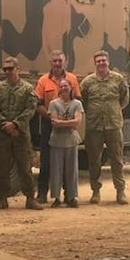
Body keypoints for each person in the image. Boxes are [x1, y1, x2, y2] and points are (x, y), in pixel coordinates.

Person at [0, 56, 44, 211]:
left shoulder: (27, 89)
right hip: (3, 135)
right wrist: (4, 124)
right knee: (3, 168)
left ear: (17, 69)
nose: (7, 71)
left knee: (25, 167)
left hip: (21, 135)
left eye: (10, 69)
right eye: (4, 69)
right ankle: (3, 198)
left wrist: (15, 124)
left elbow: (30, 109)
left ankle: (30, 198)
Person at [80, 50, 130, 205]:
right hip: (94, 126)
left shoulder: (118, 79)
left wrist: (113, 110)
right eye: (98, 61)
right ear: (95, 63)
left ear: (108, 62)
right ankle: (95, 191)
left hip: (113, 125)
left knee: (117, 159)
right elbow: (83, 101)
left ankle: (120, 191)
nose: (101, 63)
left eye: (104, 60)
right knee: (94, 160)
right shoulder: (87, 82)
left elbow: (124, 99)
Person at [34, 50, 80, 203]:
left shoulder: (72, 79)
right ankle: (42, 193)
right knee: (46, 161)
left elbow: (78, 101)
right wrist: (51, 116)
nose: (57, 64)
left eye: (60, 60)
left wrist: (67, 120)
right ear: (51, 63)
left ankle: (69, 195)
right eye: (55, 61)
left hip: (68, 128)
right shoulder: (43, 81)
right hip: (49, 126)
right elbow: (38, 104)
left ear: (64, 61)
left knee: (68, 162)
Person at [47, 79, 84, 208]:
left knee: (72, 170)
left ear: (71, 87)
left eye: (66, 86)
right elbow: (54, 122)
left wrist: (62, 123)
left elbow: (77, 121)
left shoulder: (77, 103)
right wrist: (70, 123)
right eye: (61, 86)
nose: (63, 88)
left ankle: (71, 197)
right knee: (56, 170)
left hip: (72, 141)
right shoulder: (53, 103)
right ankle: (56, 197)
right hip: (56, 141)